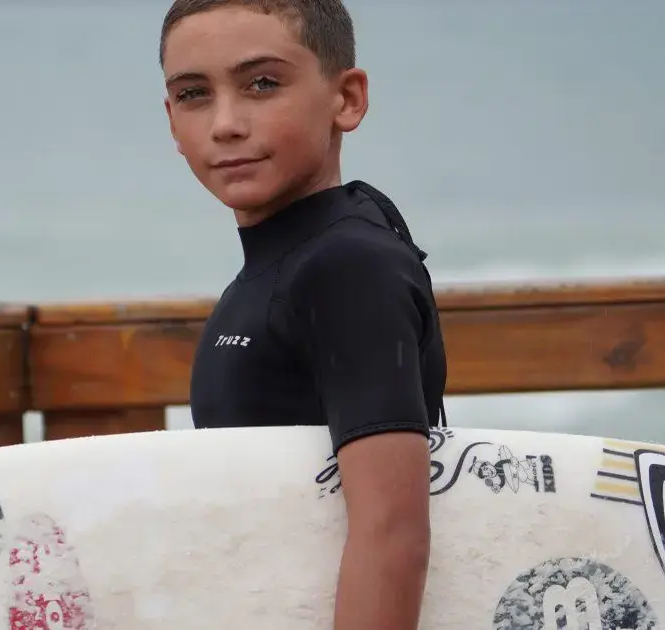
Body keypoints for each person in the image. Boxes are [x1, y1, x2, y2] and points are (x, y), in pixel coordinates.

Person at [158, 0, 448, 628]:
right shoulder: (290, 263)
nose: (226, 124)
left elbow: (392, 534)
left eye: (263, 83)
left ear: (347, 98)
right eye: (193, 93)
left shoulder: (348, 267)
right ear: (170, 119)